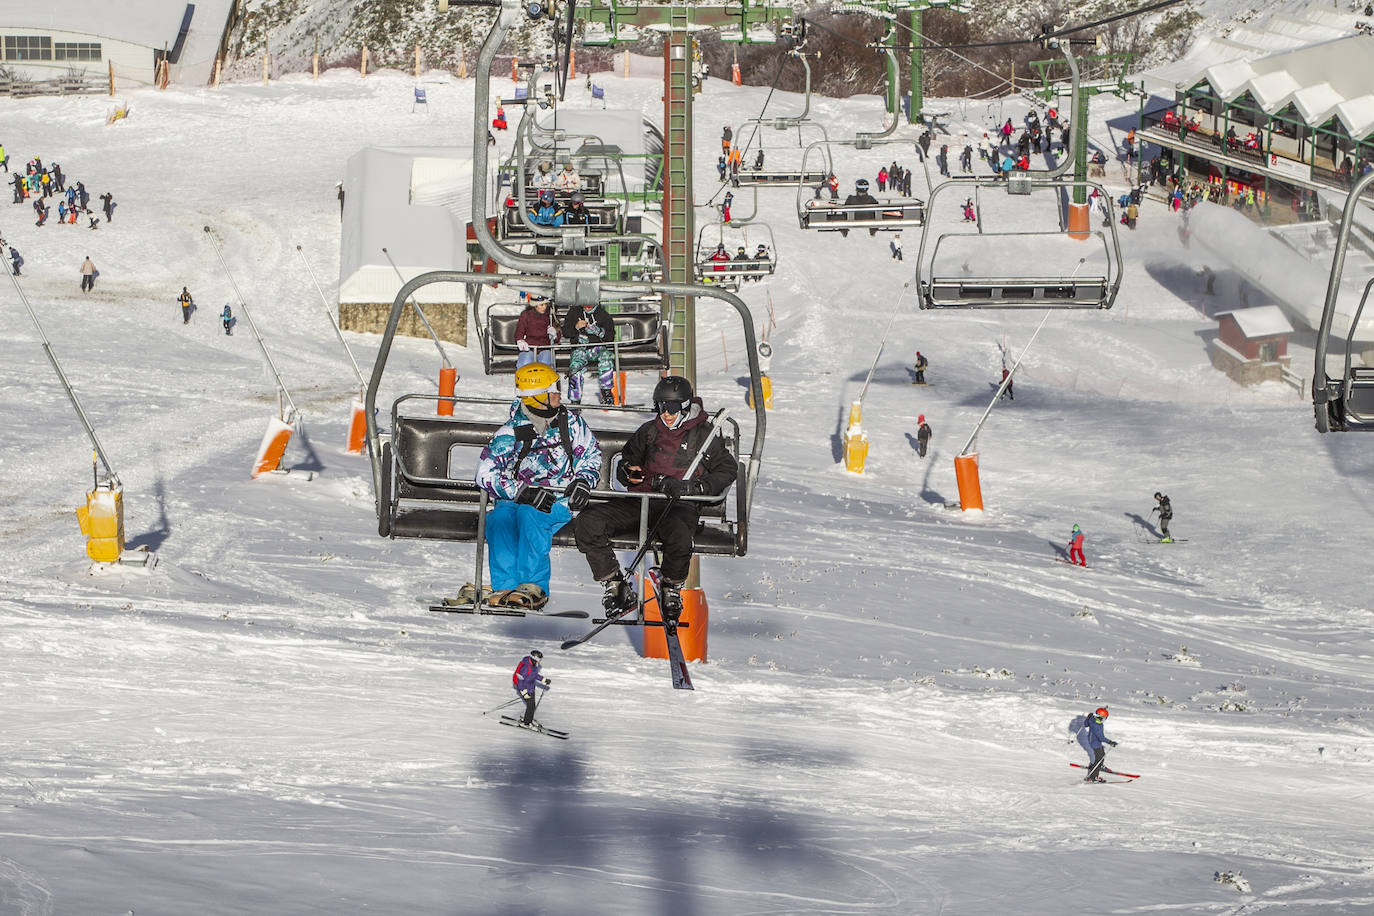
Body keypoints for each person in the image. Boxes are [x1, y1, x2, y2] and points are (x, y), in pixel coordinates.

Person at [574, 375, 737, 620]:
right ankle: (615, 584)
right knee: (589, 522)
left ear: (684, 406)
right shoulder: (650, 431)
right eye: (660, 407)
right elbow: (628, 460)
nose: (666, 414)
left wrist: (695, 488)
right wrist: (628, 472)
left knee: (680, 535)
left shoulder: (703, 436)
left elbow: (727, 470)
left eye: (671, 407)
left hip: (679, 505)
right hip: (643, 500)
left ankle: (671, 586)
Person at [475, 363, 602, 609]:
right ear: (537, 397)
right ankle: (505, 587)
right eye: (554, 389)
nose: (559, 393)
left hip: (557, 500)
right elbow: (485, 472)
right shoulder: (512, 430)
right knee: (499, 517)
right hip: (519, 498)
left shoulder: (571, 424)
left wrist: (583, 481)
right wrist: (519, 491)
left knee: (530, 515)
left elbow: (591, 455)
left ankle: (533, 587)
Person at [561, 300, 618, 405]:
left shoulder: (603, 315)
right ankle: (575, 399)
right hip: (579, 347)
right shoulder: (574, 312)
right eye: (585, 306)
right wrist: (576, 327)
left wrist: (599, 331)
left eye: (590, 306)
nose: (587, 308)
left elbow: (610, 337)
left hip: (597, 348)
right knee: (576, 366)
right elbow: (565, 332)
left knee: (606, 358)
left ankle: (606, 391)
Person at [515, 295, 560, 368]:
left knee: (545, 364)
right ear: (535, 305)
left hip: (545, 347)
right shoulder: (526, 315)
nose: (544, 307)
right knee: (525, 363)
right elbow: (519, 332)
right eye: (541, 305)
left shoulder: (550, 316)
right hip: (529, 347)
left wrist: (555, 335)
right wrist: (520, 341)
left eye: (545, 304)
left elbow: (557, 338)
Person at [511, 649, 550, 727]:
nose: (540, 662)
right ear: (534, 659)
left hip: (531, 688)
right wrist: (524, 692)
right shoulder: (526, 667)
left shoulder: (534, 665)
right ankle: (526, 723)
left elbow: (534, 675)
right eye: (539, 660)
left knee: (532, 706)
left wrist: (543, 679)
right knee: (530, 706)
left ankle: (529, 719)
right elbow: (520, 681)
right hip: (525, 689)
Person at [1081, 706, 1117, 782]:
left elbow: (1085, 724)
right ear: (1101, 717)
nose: (1105, 719)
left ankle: (1100, 766)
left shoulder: (1092, 719)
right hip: (1095, 743)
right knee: (1099, 759)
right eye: (1105, 718)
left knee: (1102, 754)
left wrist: (1088, 718)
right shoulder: (1098, 726)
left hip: (1093, 741)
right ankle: (1093, 777)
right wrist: (1110, 742)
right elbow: (1101, 738)